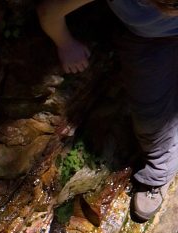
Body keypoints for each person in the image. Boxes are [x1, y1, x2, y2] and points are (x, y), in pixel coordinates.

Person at [37, 0, 178, 221]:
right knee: (152, 117)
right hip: (148, 41)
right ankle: (160, 172)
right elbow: (49, 11)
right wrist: (65, 43)